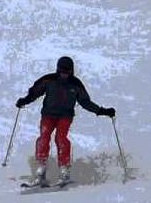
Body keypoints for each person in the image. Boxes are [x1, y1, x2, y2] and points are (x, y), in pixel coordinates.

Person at [16, 56, 116, 186]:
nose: (64, 75)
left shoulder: (76, 84)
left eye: (66, 72)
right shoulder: (49, 80)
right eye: (62, 72)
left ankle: (64, 170)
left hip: (65, 116)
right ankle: (41, 169)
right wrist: (24, 100)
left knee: (61, 138)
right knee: (44, 136)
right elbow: (35, 92)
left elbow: (85, 102)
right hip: (48, 115)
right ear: (58, 70)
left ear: (71, 71)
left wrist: (102, 111)